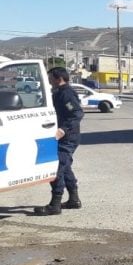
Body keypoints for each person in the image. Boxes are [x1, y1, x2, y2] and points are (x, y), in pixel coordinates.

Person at [35, 67, 84, 216]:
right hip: (64, 137)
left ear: (58, 78)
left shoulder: (66, 93)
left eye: (50, 78)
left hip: (67, 138)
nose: (49, 81)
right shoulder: (59, 92)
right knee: (66, 167)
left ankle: (55, 205)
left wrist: (63, 130)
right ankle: (74, 200)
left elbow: (77, 113)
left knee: (56, 168)